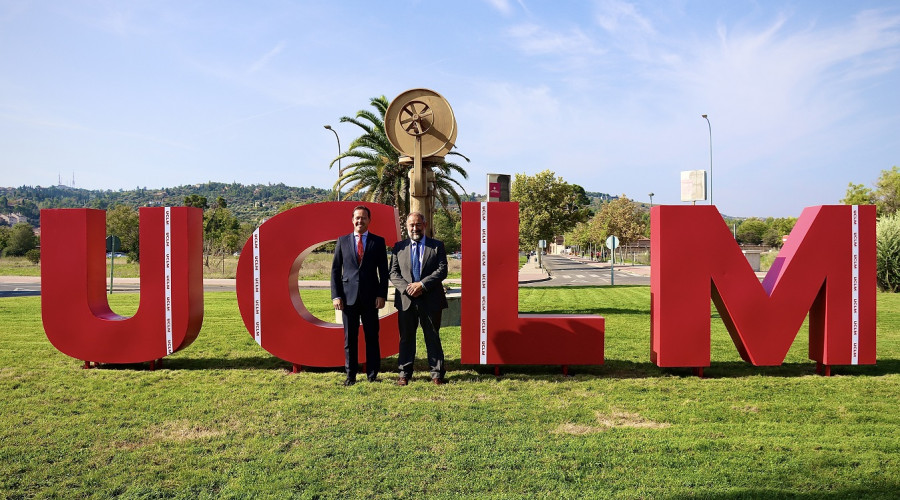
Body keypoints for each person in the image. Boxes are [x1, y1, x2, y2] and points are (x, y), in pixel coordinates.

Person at [331, 205, 389, 386]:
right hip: (348, 299)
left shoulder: (378, 242)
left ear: (369, 220)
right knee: (350, 339)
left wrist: (381, 294)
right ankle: (350, 376)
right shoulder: (342, 241)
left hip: (371, 299)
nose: (360, 221)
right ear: (352, 220)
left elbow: (384, 272)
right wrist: (336, 296)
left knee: (372, 337)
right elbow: (335, 271)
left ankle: (372, 375)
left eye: (363, 218)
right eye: (357, 218)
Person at [389, 211, 449, 385]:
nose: (415, 228)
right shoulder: (399, 247)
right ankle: (404, 374)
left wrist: (421, 285)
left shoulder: (437, 246)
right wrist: (408, 288)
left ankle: (437, 374)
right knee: (406, 338)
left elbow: (442, 270)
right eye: (411, 225)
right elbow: (393, 272)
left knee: (432, 336)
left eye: (418, 225)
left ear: (425, 225)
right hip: (407, 300)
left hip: (430, 299)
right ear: (406, 227)